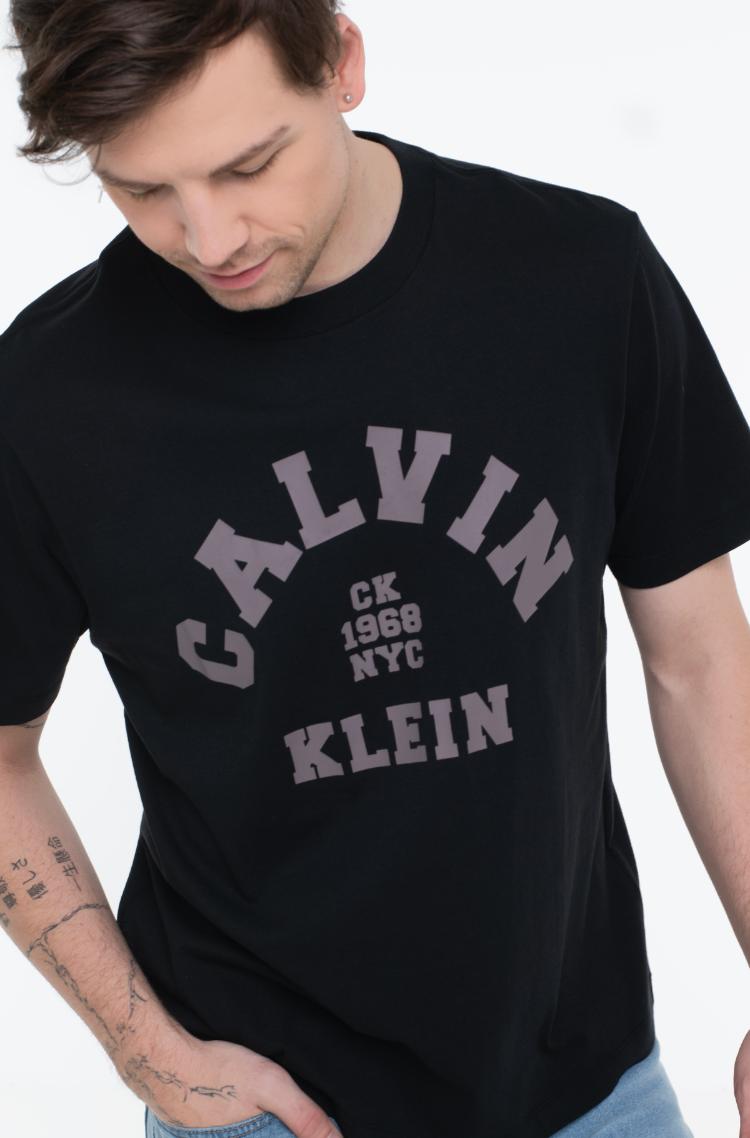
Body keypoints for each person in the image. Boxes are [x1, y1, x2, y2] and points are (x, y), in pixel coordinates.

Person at [1, 3, 749, 1137]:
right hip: (265, 1111)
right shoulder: (53, 396)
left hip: (593, 1089)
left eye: (250, 165)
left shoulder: (579, 279)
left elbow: (699, 659)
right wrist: (147, 1051)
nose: (210, 238)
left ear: (342, 65)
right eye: (141, 188)